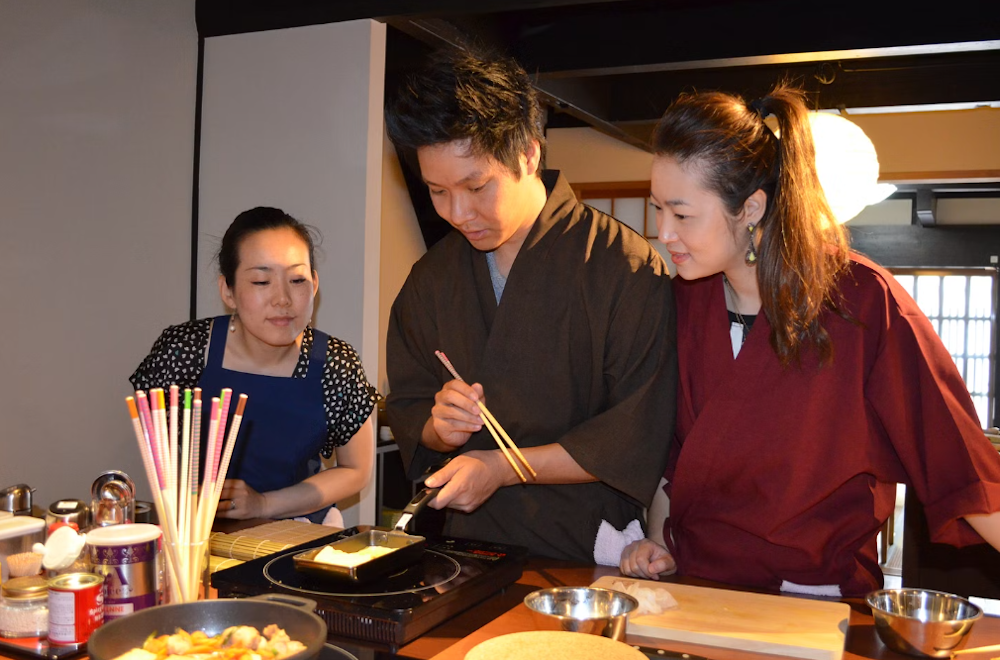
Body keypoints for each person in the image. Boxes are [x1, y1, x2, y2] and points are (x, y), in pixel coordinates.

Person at [620, 84, 1000, 596]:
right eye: (657, 208)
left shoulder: (862, 301)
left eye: (682, 214)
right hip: (696, 591)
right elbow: (677, 459)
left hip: (813, 603)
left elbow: (959, 461)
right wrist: (657, 539)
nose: (663, 232)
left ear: (751, 208)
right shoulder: (683, 302)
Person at [383, 50, 677, 563]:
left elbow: (635, 431)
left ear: (528, 155)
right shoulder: (432, 279)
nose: (457, 213)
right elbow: (410, 408)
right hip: (463, 548)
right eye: (437, 191)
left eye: (476, 187)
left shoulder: (624, 268)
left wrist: (503, 467)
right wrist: (439, 426)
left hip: (585, 547)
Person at [130, 207, 379, 524]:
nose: (283, 299)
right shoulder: (186, 350)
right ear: (228, 291)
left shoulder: (334, 363)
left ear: (314, 284)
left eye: (297, 279)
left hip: (300, 530)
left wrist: (263, 505)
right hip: (200, 536)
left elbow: (355, 470)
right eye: (262, 281)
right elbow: (164, 457)